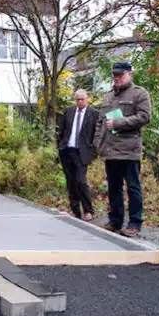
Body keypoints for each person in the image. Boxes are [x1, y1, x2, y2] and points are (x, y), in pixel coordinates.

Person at [94, 61, 151, 237]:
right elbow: (100, 123)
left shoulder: (139, 94)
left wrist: (119, 123)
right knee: (113, 187)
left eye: (121, 75)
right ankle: (115, 220)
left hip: (129, 150)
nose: (117, 78)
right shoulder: (108, 96)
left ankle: (135, 223)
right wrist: (97, 143)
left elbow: (144, 117)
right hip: (110, 150)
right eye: (115, 75)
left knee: (133, 187)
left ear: (129, 74)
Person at [57, 89, 99, 221]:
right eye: (77, 99)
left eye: (82, 99)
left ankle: (88, 210)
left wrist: (93, 150)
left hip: (82, 152)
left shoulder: (94, 113)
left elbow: (96, 134)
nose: (80, 101)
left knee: (81, 181)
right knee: (71, 182)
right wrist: (60, 145)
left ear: (87, 99)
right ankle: (75, 211)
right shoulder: (68, 112)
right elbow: (61, 131)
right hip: (67, 150)